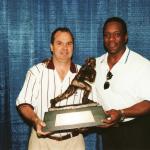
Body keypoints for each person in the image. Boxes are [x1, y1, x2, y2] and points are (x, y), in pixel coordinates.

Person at [16, 27, 86, 150]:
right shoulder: (36, 72)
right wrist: (36, 120)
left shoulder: (83, 74)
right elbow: (23, 104)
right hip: (41, 142)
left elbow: (92, 105)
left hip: (74, 141)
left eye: (69, 43)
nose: (65, 48)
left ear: (73, 47)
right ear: (51, 47)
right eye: (59, 43)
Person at [95, 17, 150, 150]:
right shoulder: (96, 64)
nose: (111, 39)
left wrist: (121, 113)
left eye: (116, 34)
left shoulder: (142, 65)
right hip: (108, 132)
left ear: (125, 37)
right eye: (107, 35)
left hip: (136, 131)